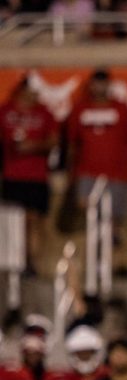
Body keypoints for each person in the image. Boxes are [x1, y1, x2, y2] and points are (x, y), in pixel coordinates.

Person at [64, 68, 127, 238]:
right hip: (87, 172)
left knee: (114, 223)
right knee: (89, 215)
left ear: (109, 85)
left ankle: (111, 259)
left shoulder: (122, 108)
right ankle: (94, 254)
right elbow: (72, 144)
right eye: (96, 84)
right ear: (91, 86)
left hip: (118, 173)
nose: (99, 87)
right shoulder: (80, 109)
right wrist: (70, 174)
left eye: (103, 83)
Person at [0, 75, 58, 270]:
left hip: (36, 177)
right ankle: (14, 262)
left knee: (34, 220)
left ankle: (32, 263)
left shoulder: (44, 113)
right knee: (14, 222)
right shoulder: (6, 111)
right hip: (12, 176)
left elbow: (53, 141)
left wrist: (33, 146)